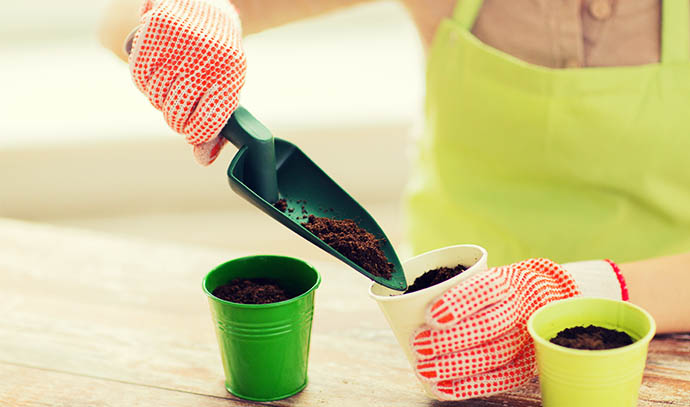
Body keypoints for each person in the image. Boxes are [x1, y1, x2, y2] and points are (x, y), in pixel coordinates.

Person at [100, 0, 690, 400]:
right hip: (434, 333)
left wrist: (577, 293)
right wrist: (188, 14)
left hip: (662, 349)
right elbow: (116, 15)